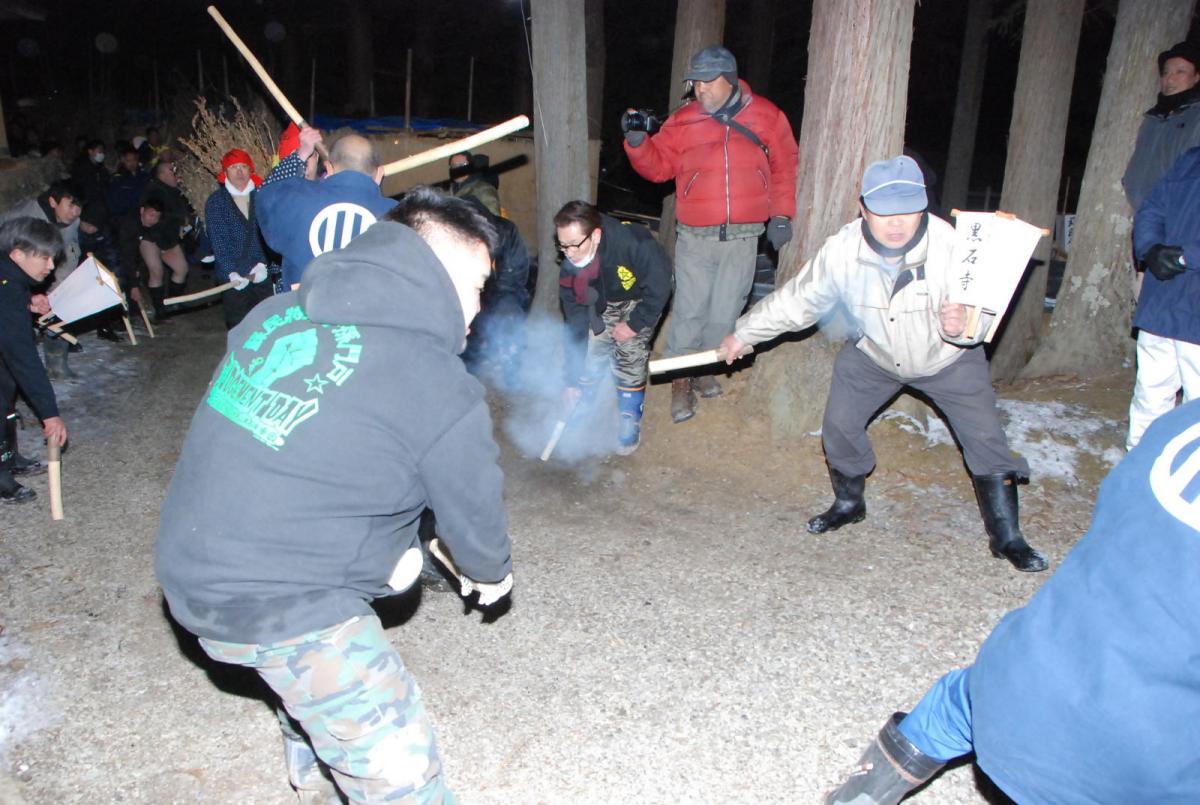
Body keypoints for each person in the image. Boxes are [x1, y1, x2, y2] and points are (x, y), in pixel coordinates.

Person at [155, 187, 512, 804]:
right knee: (402, 777)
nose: (480, 310)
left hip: (187, 572)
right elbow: (474, 515)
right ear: (444, 271)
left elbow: (320, 447)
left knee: (302, 670)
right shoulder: (436, 383)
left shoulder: (273, 316)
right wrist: (491, 573)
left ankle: (315, 763)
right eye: (480, 286)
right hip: (281, 604)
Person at [825, 399, 1200, 804]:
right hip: (1140, 763)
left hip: (1013, 676)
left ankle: (855, 798)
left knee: (959, 700)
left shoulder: (1183, 424)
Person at [718, 156, 1047, 572]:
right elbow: (800, 300)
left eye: (908, 210)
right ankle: (849, 502)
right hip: (873, 356)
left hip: (947, 359)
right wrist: (745, 333)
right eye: (884, 212)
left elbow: (985, 310)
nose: (896, 223)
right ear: (863, 210)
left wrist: (965, 325)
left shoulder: (954, 247)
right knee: (839, 428)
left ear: (924, 206)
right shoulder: (843, 249)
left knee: (987, 441)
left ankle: (1007, 537)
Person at [624, 44, 798, 423]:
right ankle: (681, 381)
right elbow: (659, 168)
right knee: (689, 311)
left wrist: (781, 214)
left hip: (743, 235)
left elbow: (785, 165)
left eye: (707, 82)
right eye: (695, 83)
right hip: (695, 236)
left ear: (730, 79)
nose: (699, 90)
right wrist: (638, 145)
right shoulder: (684, 119)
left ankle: (704, 370)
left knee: (725, 312)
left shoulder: (767, 116)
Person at [554, 201, 671, 455]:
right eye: (563, 245)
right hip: (603, 300)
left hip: (640, 297)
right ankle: (582, 403)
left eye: (575, 244)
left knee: (629, 350)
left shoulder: (631, 242)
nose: (569, 253)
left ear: (595, 234)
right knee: (592, 349)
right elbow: (575, 324)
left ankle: (629, 418)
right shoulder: (570, 269)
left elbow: (660, 285)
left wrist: (635, 323)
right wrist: (571, 380)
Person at [1125, 144, 1200, 449]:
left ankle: (1154, 474)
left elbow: (1151, 210)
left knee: (1157, 398)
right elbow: (1152, 209)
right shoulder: (1190, 160)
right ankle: (1147, 475)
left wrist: (1168, 253)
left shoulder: (1191, 160)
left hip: (1166, 300)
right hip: (1170, 304)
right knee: (1153, 396)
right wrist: (1152, 249)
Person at [257, 126, 397, 289]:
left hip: (305, 311)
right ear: (380, 174)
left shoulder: (297, 201)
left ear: (329, 169)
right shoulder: (400, 216)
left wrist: (300, 156)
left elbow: (266, 194)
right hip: (366, 312)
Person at [0, 217, 70, 504]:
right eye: (44, 257)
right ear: (17, 254)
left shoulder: (9, 273)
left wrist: (28, 302)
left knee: (5, 392)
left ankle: (9, 455)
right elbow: (23, 356)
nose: (51, 266)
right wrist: (49, 413)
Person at [1, 180, 84, 378]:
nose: (75, 212)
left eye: (79, 208)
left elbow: (69, 252)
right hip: (14, 280)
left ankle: (56, 363)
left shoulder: (72, 221)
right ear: (53, 202)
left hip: (49, 277)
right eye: (71, 205)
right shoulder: (24, 219)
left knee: (59, 306)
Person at [1123, 40, 1200, 212]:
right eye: (1166, 72)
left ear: (1196, 77)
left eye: (1180, 71)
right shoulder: (1152, 119)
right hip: (1146, 215)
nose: (1170, 78)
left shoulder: (1196, 115)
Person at [202, 149, 273, 329]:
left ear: (251, 170)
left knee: (266, 325)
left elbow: (270, 232)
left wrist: (264, 264)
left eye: (243, 166)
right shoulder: (216, 202)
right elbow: (219, 241)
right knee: (238, 326)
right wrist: (230, 272)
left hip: (261, 272)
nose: (240, 172)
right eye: (234, 167)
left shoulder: (263, 197)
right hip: (233, 277)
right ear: (225, 172)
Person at [447, 150, 500, 216]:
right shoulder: (451, 190)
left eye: (462, 164)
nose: (457, 168)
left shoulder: (483, 190)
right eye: (454, 165)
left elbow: (493, 220)